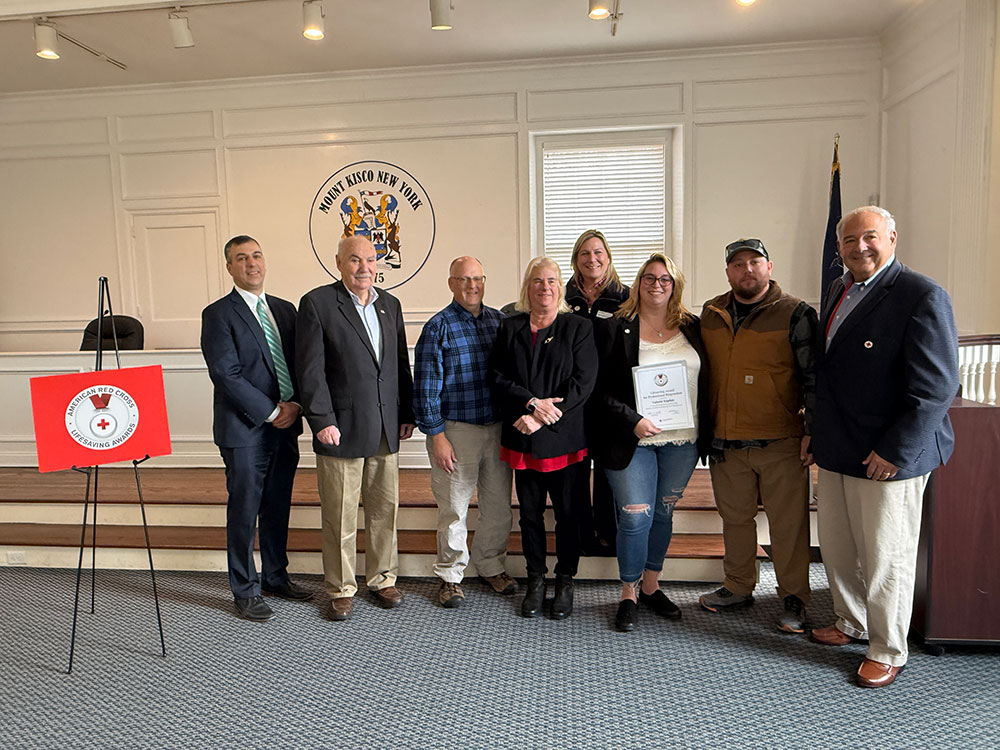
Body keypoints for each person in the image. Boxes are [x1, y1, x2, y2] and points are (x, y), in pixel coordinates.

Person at [809, 205, 958, 688]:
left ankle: (887, 647)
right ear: (839, 249)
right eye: (849, 241)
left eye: (869, 237)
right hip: (840, 447)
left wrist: (895, 450)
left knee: (885, 557)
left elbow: (936, 388)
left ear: (892, 237)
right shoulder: (840, 288)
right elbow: (829, 371)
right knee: (839, 547)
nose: (859, 248)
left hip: (889, 455)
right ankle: (851, 622)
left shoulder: (922, 295)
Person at [697, 238, 818, 634]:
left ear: (769, 267)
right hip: (726, 442)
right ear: (728, 271)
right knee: (735, 520)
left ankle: (794, 596)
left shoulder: (796, 313)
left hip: (780, 440)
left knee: (788, 525)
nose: (746, 270)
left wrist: (812, 431)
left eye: (755, 262)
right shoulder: (711, 314)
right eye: (738, 264)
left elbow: (814, 378)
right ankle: (737, 586)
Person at [296, 235, 415, 622]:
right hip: (341, 428)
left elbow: (398, 364)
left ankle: (382, 578)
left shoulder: (390, 304)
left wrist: (406, 412)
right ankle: (341, 587)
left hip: (384, 425)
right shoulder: (317, 303)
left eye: (370, 259)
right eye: (354, 260)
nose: (363, 267)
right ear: (338, 263)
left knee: (384, 510)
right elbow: (310, 371)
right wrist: (321, 420)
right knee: (340, 514)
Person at [592, 254, 710, 632]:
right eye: (649, 277)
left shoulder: (694, 328)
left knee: (663, 513)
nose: (657, 285)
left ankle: (651, 585)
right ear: (638, 282)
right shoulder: (614, 329)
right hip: (631, 440)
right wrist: (634, 420)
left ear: (675, 286)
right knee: (634, 514)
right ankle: (628, 591)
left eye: (665, 279)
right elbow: (597, 392)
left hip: (683, 441)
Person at [201, 235, 312, 621]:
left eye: (257, 255)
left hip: (287, 425)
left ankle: (276, 576)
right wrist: (269, 412)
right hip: (245, 429)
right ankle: (244, 589)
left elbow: (302, 364)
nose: (252, 263)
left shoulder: (285, 310)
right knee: (245, 508)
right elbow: (226, 375)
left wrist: (296, 405)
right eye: (241, 258)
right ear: (229, 267)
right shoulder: (218, 314)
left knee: (278, 504)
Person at [488, 257, 597, 620]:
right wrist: (531, 406)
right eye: (537, 281)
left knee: (568, 515)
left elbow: (582, 384)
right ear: (528, 287)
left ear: (560, 287)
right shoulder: (510, 327)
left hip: (563, 437)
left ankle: (564, 579)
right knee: (530, 516)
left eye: (551, 280)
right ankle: (536, 579)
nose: (545, 287)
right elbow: (499, 378)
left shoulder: (578, 327)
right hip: (522, 434)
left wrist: (545, 418)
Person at [413, 256, 515, 609]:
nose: (472, 285)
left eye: (477, 278)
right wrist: (437, 435)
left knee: (498, 506)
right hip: (456, 431)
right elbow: (425, 387)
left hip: (498, 429)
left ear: (484, 281)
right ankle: (451, 576)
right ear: (451, 283)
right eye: (464, 279)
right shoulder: (437, 327)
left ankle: (490, 565)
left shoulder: (500, 323)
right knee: (454, 509)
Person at [565, 229, 630, 556]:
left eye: (598, 253)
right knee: (576, 472)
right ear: (576, 260)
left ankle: (609, 533)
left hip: (610, 398)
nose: (592, 259)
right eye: (585, 254)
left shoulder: (626, 298)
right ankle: (581, 534)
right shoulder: (564, 298)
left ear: (608, 257)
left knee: (608, 470)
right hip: (575, 400)